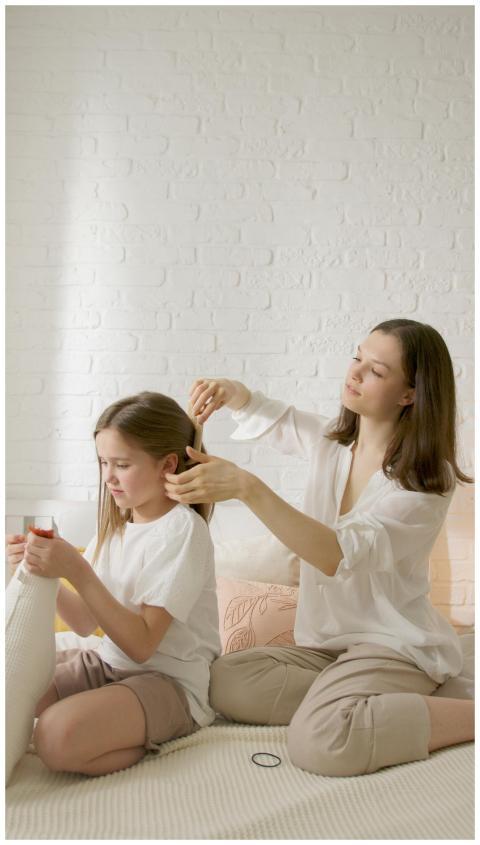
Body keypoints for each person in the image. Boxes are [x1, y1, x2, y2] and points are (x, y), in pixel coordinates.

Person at [164, 318, 475, 777]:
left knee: (321, 743)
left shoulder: (426, 482)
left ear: (410, 394)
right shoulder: (332, 443)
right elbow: (277, 418)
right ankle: (356, 695)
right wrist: (233, 392)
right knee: (223, 681)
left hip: (392, 645)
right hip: (326, 648)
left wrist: (247, 487)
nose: (355, 373)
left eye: (376, 371)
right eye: (357, 358)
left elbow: (336, 554)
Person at [6, 392, 221, 777]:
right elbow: (84, 623)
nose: (108, 477)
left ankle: (148, 739)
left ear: (167, 465)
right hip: (107, 665)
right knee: (14, 693)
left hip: (168, 683)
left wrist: (76, 569)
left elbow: (142, 645)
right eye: (103, 462)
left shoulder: (183, 531)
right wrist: (44, 570)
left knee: (54, 737)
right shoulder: (116, 528)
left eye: (121, 464)